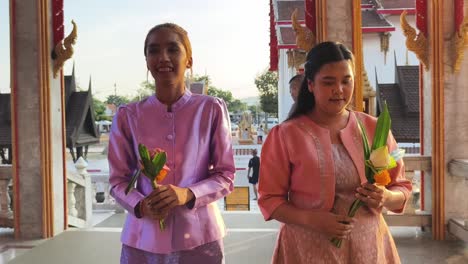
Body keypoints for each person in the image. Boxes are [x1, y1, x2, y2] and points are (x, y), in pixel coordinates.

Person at [257, 41, 412, 264]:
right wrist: (312, 220)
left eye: (346, 81)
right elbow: (270, 200)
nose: (339, 90)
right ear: (310, 84)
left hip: (368, 248)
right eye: (328, 82)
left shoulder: (374, 128)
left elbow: (402, 188)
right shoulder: (285, 135)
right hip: (306, 248)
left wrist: (387, 197)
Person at [108, 23, 235, 264]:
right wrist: (141, 205)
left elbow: (226, 175)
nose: (163, 57)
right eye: (154, 50)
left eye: (173, 49)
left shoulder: (211, 109)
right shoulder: (128, 115)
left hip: (200, 240)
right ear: (146, 61)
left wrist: (188, 193)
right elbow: (117, 180)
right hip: (142, 239)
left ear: (189, 60)